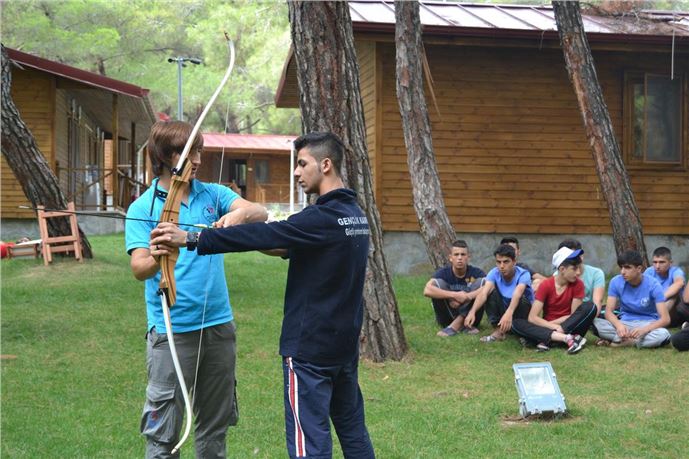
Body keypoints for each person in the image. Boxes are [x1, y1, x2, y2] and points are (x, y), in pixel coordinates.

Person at [151, 132, 376, 459]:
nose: (296, 172)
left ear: (326, 165)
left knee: (309, 444)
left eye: (302, 164)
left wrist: (191, 237)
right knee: (353, 432)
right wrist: (233, 231)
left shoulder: (320, 219)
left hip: (309, 353)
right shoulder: (354, 215)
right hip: (341, 349)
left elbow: (273, 232)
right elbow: (281, 242)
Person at [125, 120, 268, 458]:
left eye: (200, 151)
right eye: (190, 152)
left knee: (214, 430)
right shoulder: (143, 208)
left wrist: (238, 216)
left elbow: (259, 212)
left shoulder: (212, 194)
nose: (199, 159)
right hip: (172, 332)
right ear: (165, 156)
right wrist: (160, 253)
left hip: (218, 326)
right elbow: (139, 268)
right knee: (164, 434)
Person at [512, 247, 597, 354]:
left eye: (579, 268)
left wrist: (556, 327)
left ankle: (544, 339)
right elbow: (532, 317)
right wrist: (553, 327)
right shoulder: (546, 285)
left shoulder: (578, 284)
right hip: (550, 326)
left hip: (570, 326)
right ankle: (565, 339)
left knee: (590, 306)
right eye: (574, 269)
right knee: (516, 323)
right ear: (562, 269)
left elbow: (573, 315)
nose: (579, 272)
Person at [593, 250, 671, 348]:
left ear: (639, 269)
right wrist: (619, 326)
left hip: (647, 324)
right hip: (624, 322)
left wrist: (644, 330)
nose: (623, 272)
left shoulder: (654, 285)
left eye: (627, 267)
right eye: (621, 267)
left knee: (664, 335)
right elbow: (608, 312)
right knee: (594, 322)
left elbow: (665, 319)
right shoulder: (615, 282)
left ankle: (624, 341)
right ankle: (627, 339)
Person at [464, 244, 533, 343]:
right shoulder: (494, 273)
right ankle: (498, 329)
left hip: (521, 312)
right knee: (490, 291)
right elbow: (484, 293)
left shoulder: (523, 274)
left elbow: (518, 293)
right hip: (504, 310)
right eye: (498, 262)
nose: (502, 266)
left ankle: (519, 330)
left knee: (522, 297)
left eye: (506, 262)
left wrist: (509, 313)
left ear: (514, 262)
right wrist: (472, 312)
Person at [423, 240, 486, 336]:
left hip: (471, 318)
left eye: (463, 254)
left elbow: (490, 286)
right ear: (450, 258)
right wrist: (453, 296)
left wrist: (468, 296)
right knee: (438, 283)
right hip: (447, 317)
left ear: (468, 257)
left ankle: (454, 326)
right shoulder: (443, 272)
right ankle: (461, 326)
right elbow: (427, 290)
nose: (459, 258)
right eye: (456, 255)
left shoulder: (476, 272)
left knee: (482, 283)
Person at [557, 239, 605, 314]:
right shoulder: (558, 276)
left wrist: (588, 319)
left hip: (587, 314)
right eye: (572, 257)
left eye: (579, 255)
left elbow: (597, 303)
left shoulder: (596, 273)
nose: (577, 259)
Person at [644, 246, 686, 326]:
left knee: (674, 295)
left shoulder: (676, 271)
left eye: (661, 262)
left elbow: (679, 283)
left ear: (670, 263)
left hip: (675, 312)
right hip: (653, 308)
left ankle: (658, 321)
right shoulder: (649, 271)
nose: (657, 266)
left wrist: (660, 298)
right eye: (655, 262)